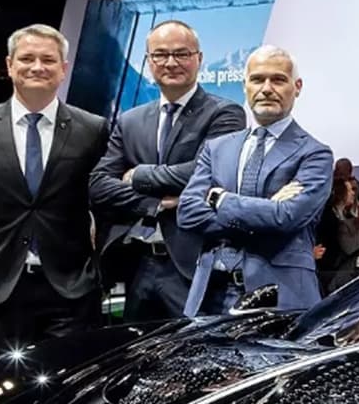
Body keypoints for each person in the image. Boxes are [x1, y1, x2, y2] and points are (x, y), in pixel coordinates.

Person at [0, 23, 110, 356]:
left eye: (48, 60)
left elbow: (106, 204)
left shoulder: (93, 128)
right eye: (27, 58)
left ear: (63, 69)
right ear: (9, 65)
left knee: (69, 393)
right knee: (5, 392)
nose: (37, 67)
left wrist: (99, 272)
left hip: (72, 288)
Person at [91, 20, 247, 322]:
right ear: (149, 61)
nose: (171, 62)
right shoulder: (131, 120)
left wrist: (138, 175)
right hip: (133, 263)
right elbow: (98, 185)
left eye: (181, 54)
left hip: (192, 265)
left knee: (195, 360)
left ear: (199, 59)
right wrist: (155, 203)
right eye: (160, 55)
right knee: (132, 359)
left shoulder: (225, 113)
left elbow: (208, 173)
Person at [176, 45, 333, 314]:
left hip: (282, 298)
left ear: (297, 87)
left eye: (278, 80)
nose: (267, 88)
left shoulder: (315, 153)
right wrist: (265, 209)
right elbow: (187, 212)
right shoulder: (216, 148)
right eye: (258, 79)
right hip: (210, 296)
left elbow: (286, 217)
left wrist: (219, 199)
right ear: (244, 85)